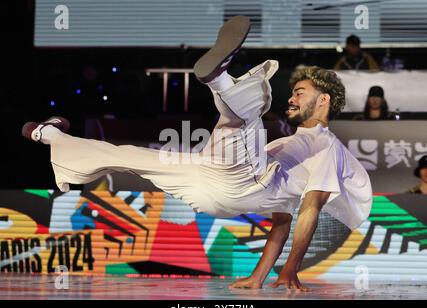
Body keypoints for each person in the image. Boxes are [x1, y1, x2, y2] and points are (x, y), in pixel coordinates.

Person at [22, 16, 372, 291]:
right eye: (292, 93)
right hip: (211, 184)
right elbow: (281, 223)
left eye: (299, 93)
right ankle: (49, 135)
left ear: (323, 100)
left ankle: (218, 79)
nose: (292, 99)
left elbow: (309, 209)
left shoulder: (325, 146)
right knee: (130, 155)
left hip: (243, 187)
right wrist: (258, 277)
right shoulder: (285, 148)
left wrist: (291, 270)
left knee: (244, 122)